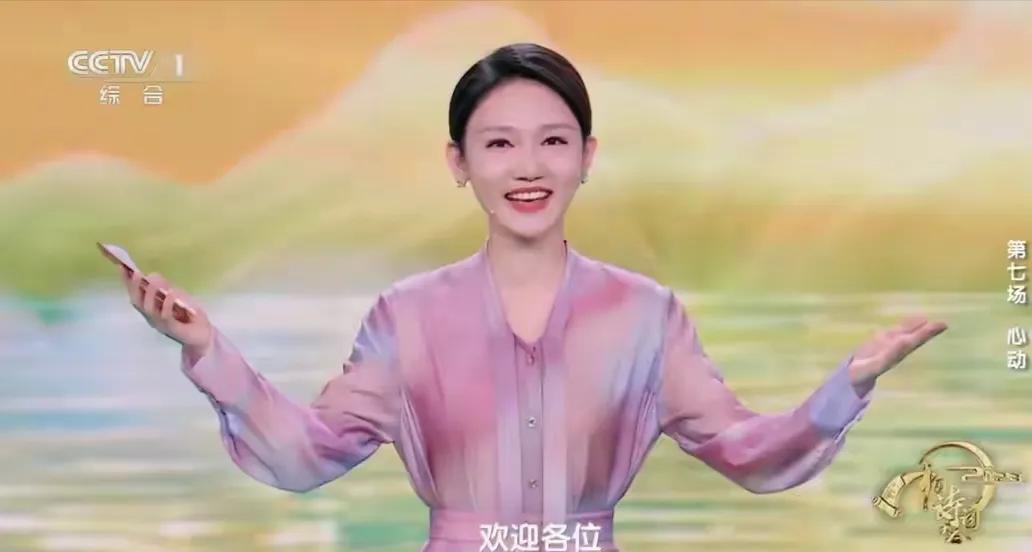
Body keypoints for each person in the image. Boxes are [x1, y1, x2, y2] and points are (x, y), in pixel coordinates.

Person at [121, 43, 948, 552]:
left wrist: (847, 387)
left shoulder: (645, 315)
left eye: (553, 141)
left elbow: (746, 451)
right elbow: (309, 454)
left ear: (587, 156)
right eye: (499, 144)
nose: (528, 167)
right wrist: (207, 353)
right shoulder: (407, 316)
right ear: (458, 162)